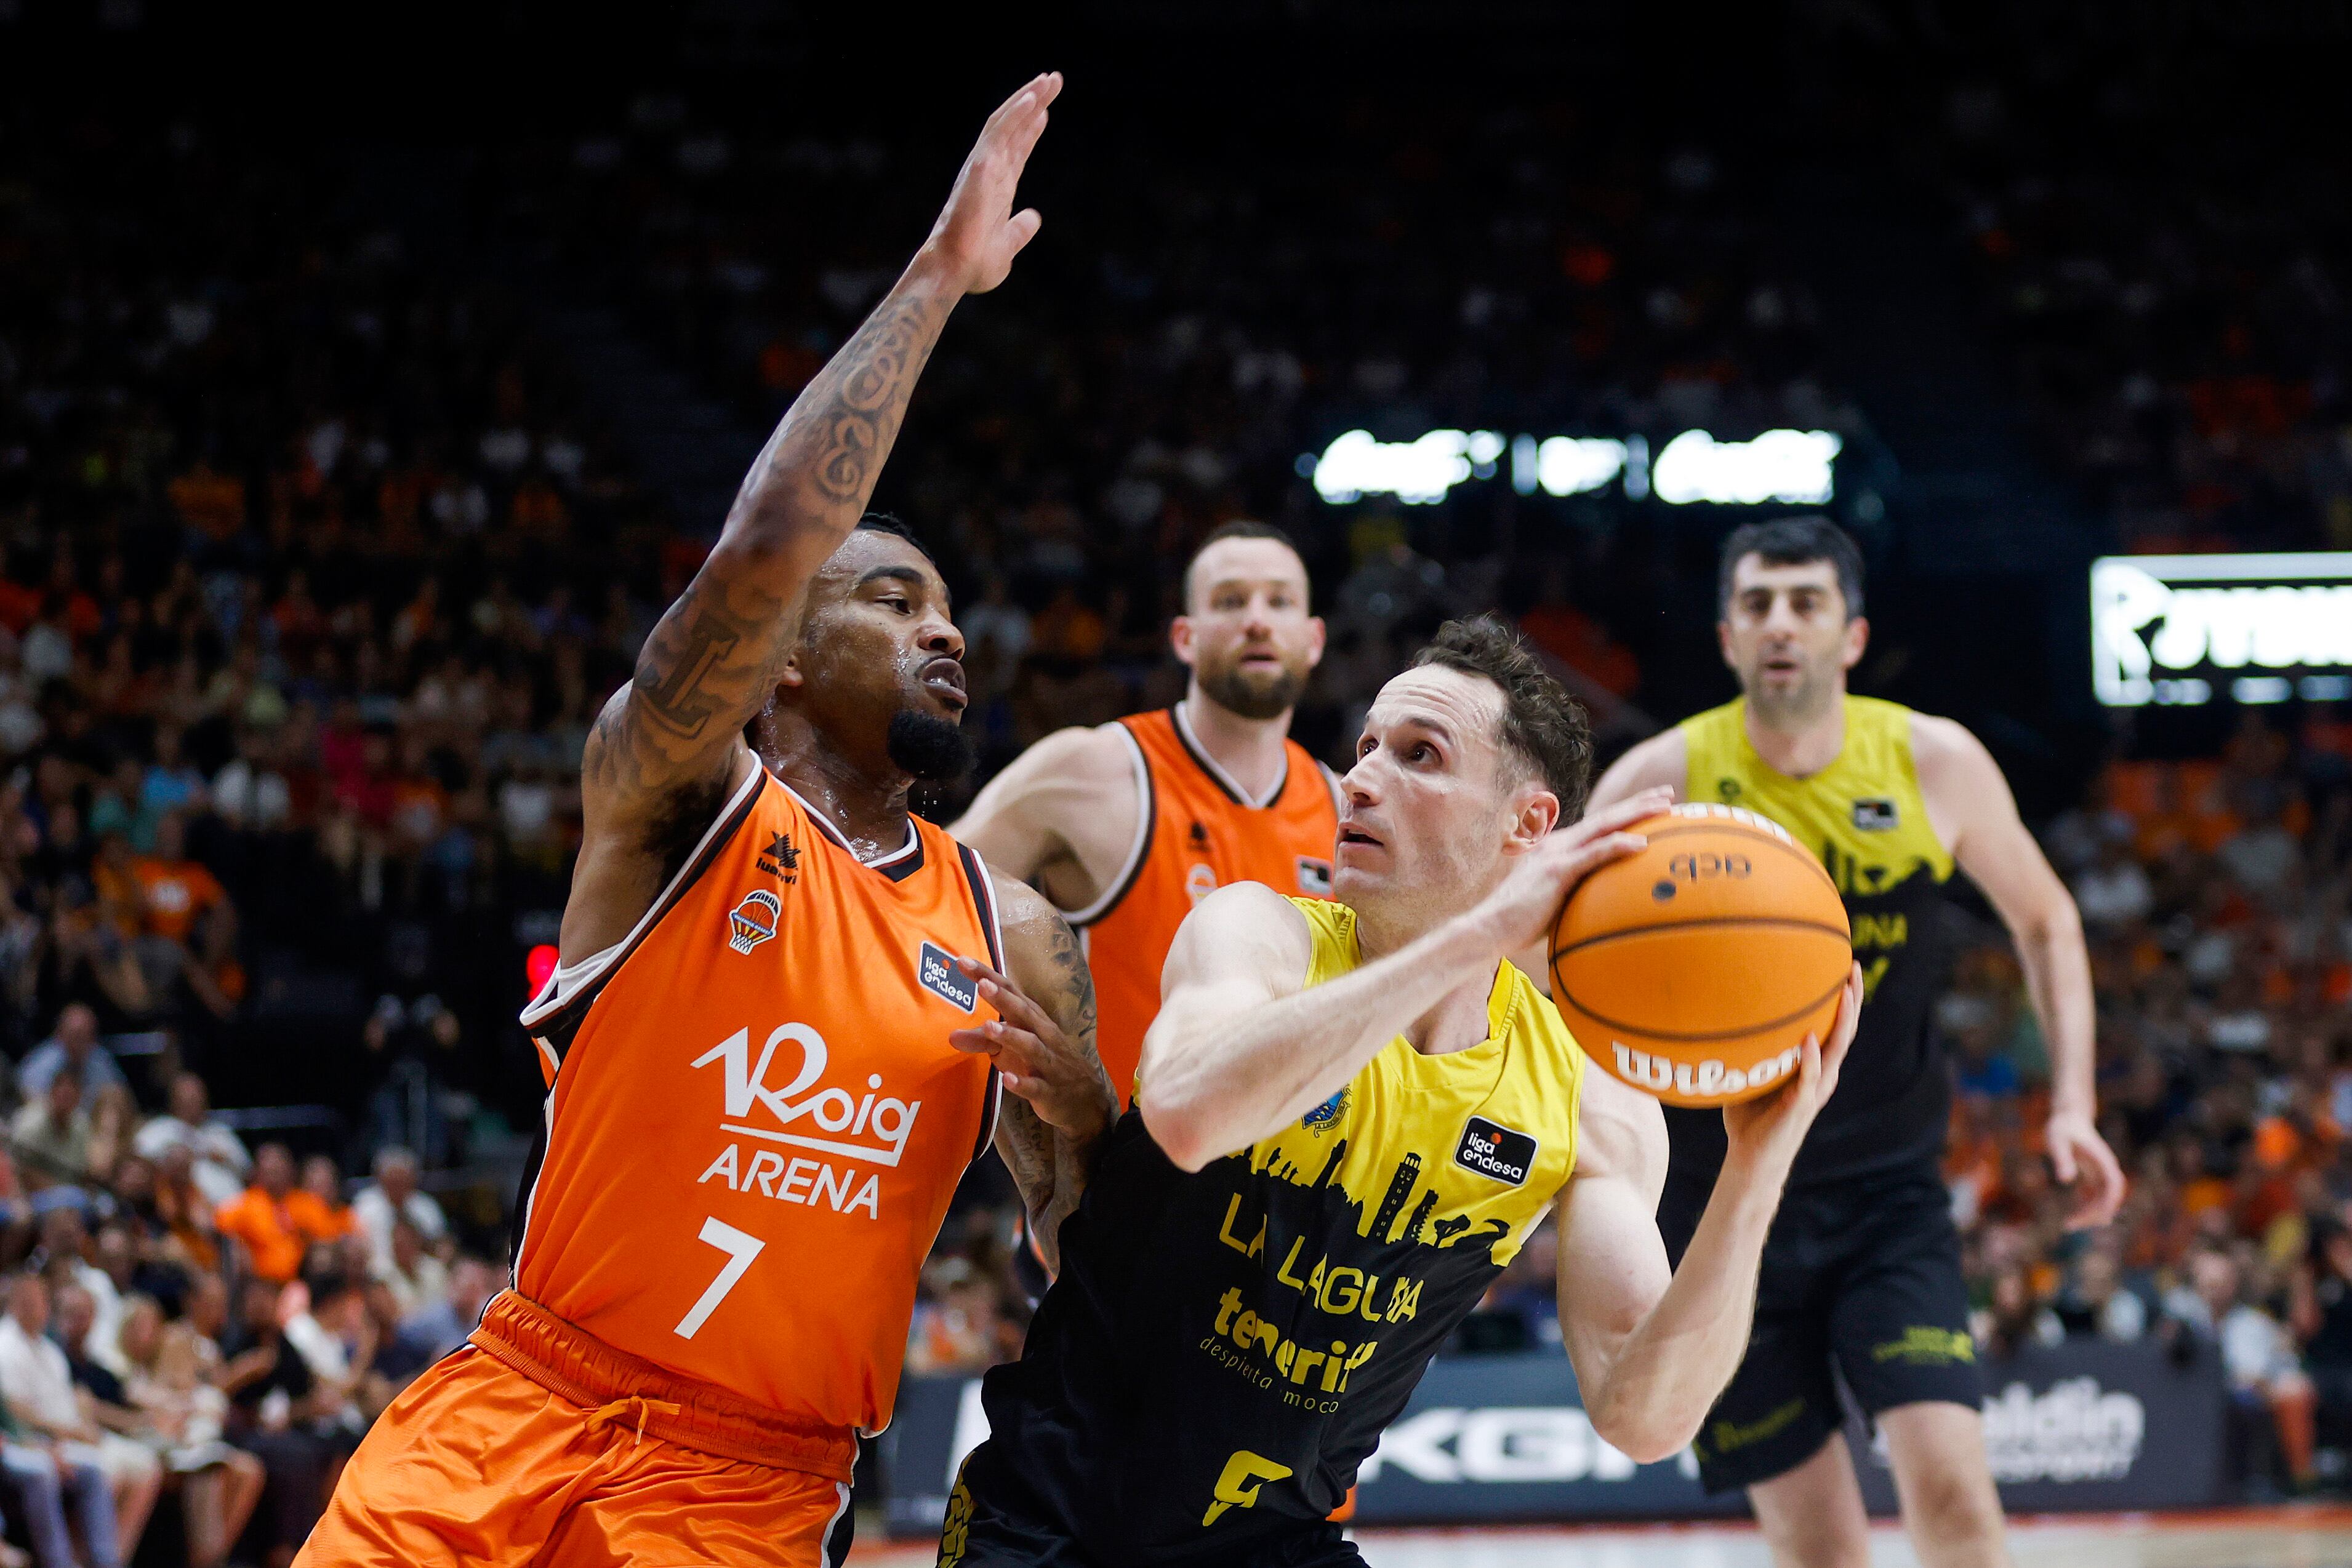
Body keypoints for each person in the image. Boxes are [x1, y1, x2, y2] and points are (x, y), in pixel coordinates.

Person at [302, 74, 1112, 1568]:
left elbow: (1098, 1262)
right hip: (508, 1413)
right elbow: (763, 546)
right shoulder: (678, 800)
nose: (944, 633)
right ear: (782, 659)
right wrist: (936, 287)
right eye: (892, 600)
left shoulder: (1019, 932)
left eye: (949, 610)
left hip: (749, 1489)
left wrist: (1095, 1134)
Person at [941, 620, 1863, 1565]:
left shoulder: (1586, 1092)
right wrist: (1475, 936)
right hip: (1053, 1520)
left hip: (1280, 1541)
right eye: (1366, 747)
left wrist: (1758, 1165)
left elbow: (1644, 1417)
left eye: (1419, 755)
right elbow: (1185, 1115)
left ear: (1529, 826)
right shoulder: (1262, 935)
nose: (1362, 779)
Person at [1586, 516, 2128, 1568]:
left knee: (1958, 1498)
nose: (1780, 623)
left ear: (1853, 633)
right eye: (1757, 604)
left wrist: (2072, 1103)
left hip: (1888, 1190)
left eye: (1805, 602)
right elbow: (1547, 953)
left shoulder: (1933, 759)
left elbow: (2047, 916)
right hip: (1715, 1203)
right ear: (1726, 635)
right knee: (1820, 1551)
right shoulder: (1660, 777)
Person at [954, 521, 1338, 1113]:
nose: (1257, 620)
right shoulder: (1088, 771)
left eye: (1279, 601)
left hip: (1289, 1193)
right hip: (1115, 1183)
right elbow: (917, 905)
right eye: (1230, 601)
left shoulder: (1348, 810)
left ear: (1313, 639)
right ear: (1184, 636)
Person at [0, 1274, 146, 1567]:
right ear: (13, 1304)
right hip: (21, 1442)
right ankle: (60, 1562)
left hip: (51, 1440)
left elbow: (69, 1409)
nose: (36, 1308)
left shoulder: (50, 1350)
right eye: (27, 1302)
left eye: (41, 1302)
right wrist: (45, 1444)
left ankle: (105, 1560)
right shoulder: (5, 1345)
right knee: (43, 1471)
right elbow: (15, 1414)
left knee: (93, 1466)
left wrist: (68, 1436)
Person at [131, 1073, 252, 1209]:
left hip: (235, 1213)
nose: (192, 1103)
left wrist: (221, 1157)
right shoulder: (159, 1129)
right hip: (182, 1213)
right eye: (186, 1098)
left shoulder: (220, 1132)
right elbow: (137, 1165)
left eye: (196, 1098)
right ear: (173, 1100)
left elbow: (247, 1171)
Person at [348, 1145, 445, 1271]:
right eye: (393, 1179)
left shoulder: (427, 1207)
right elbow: (356, 1247)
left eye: (403, 1179)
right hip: (376, 1274)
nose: (398, 1185)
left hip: (419, 1273)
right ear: (380, 1178)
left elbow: (439, 1245)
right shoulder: (364, 1205)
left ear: (413, 1179)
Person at [17, 1004, 129, 1103]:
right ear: (60, 1035)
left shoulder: (100, 1060)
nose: (81, 1043)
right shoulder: (41, 1065)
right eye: (76, 1036)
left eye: (88, 1036)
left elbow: (119, 1096)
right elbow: (30, 1102)